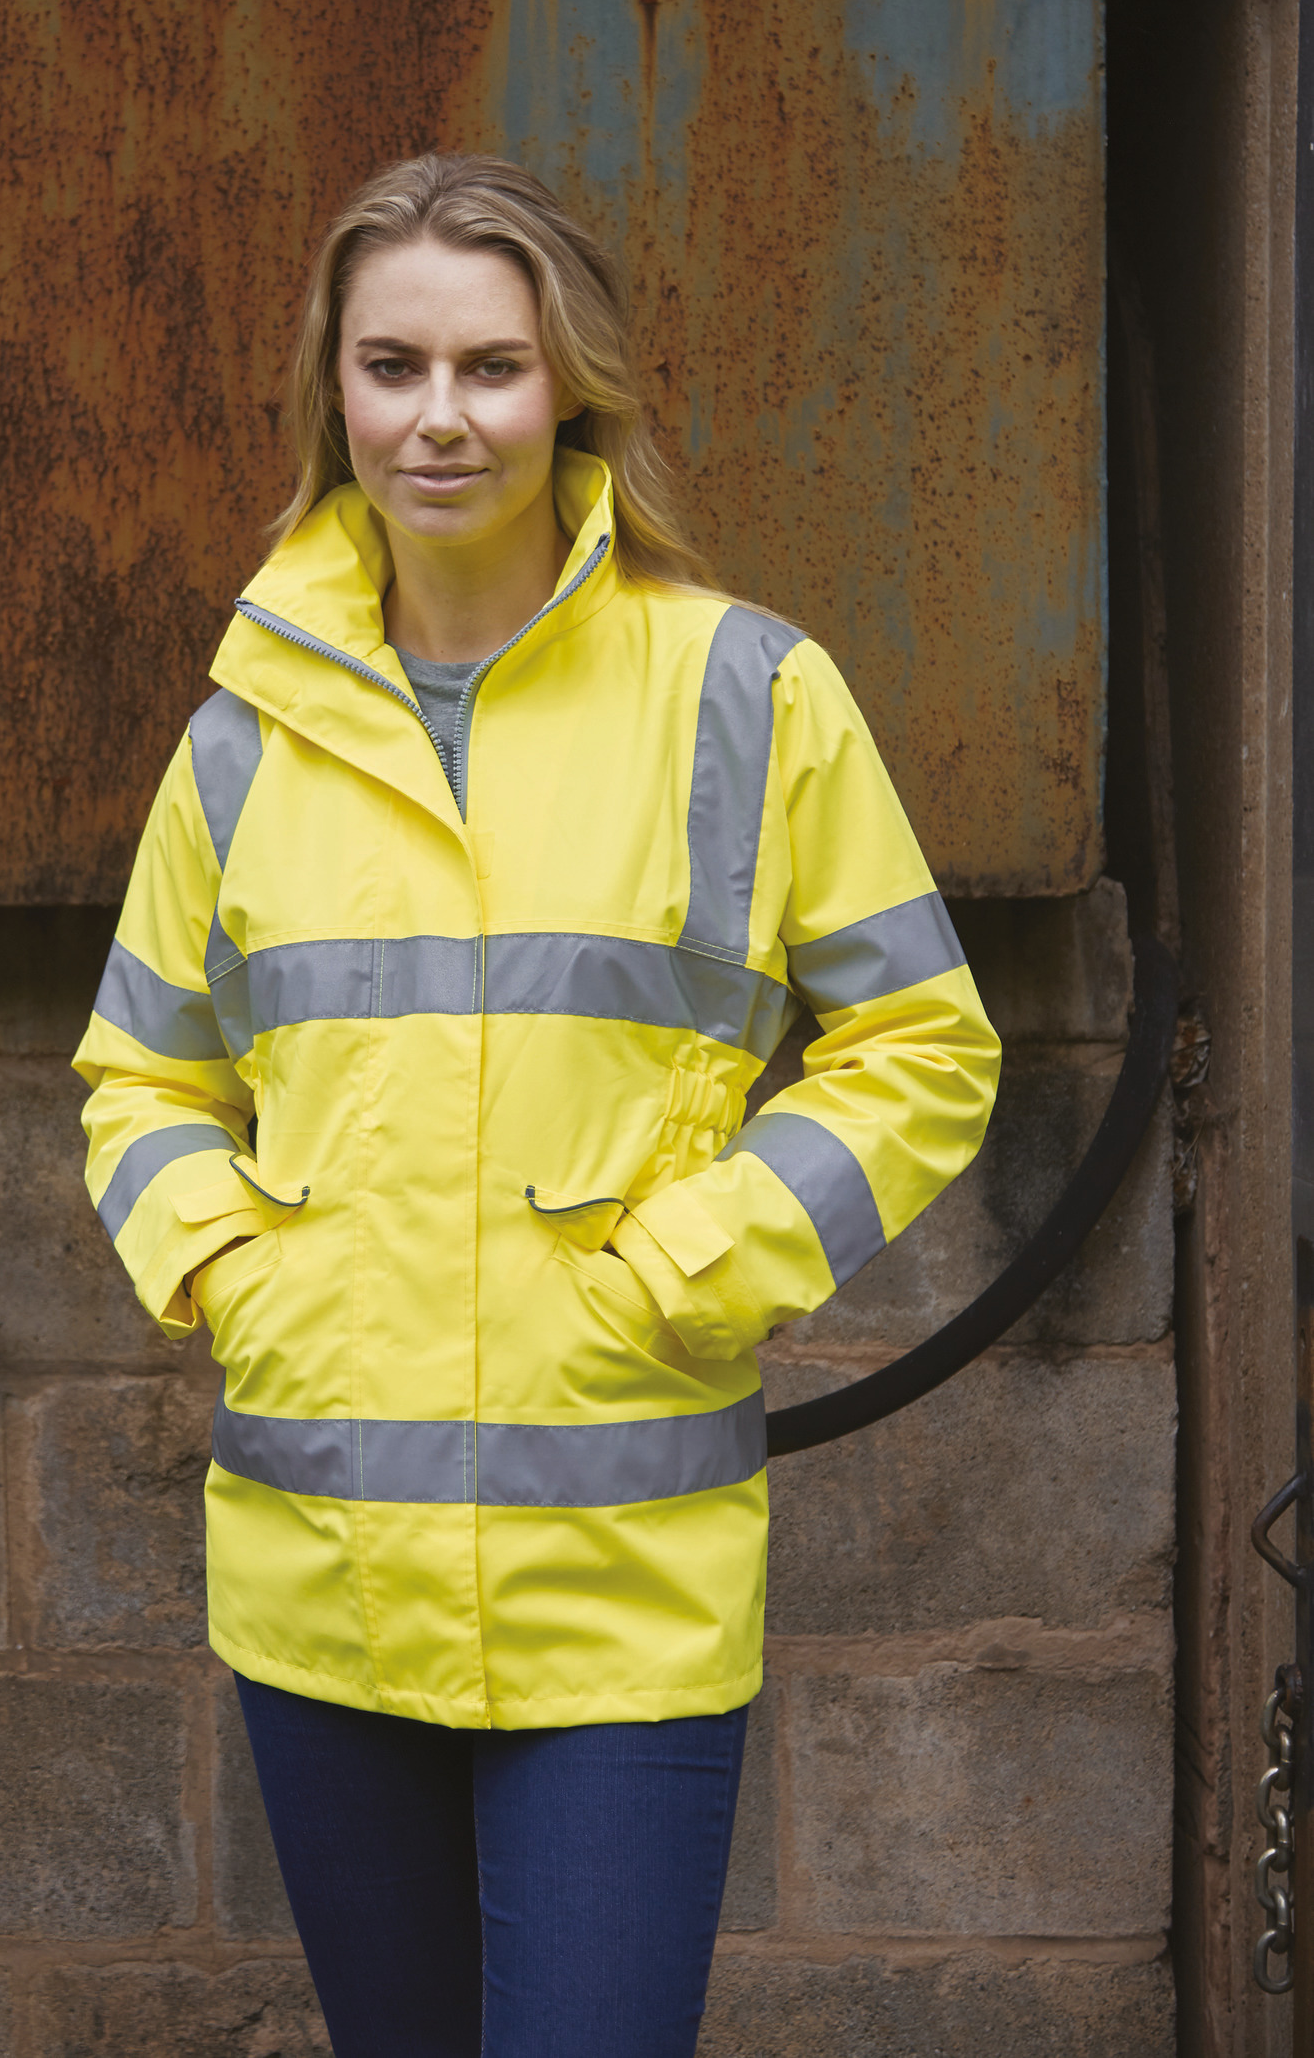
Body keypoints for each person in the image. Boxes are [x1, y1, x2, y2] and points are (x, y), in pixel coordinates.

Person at [73, 152, 1000, 2058]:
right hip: (320, 1583)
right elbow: (140, 1073)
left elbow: (926, 1044)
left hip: (620, 1597)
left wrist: (693, 1258)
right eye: (391, 363)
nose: (438, 418)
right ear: (331, 388)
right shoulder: (245, 732)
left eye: (490, 366)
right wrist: (237, 1272)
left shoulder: (745, 691)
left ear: (569, 383)